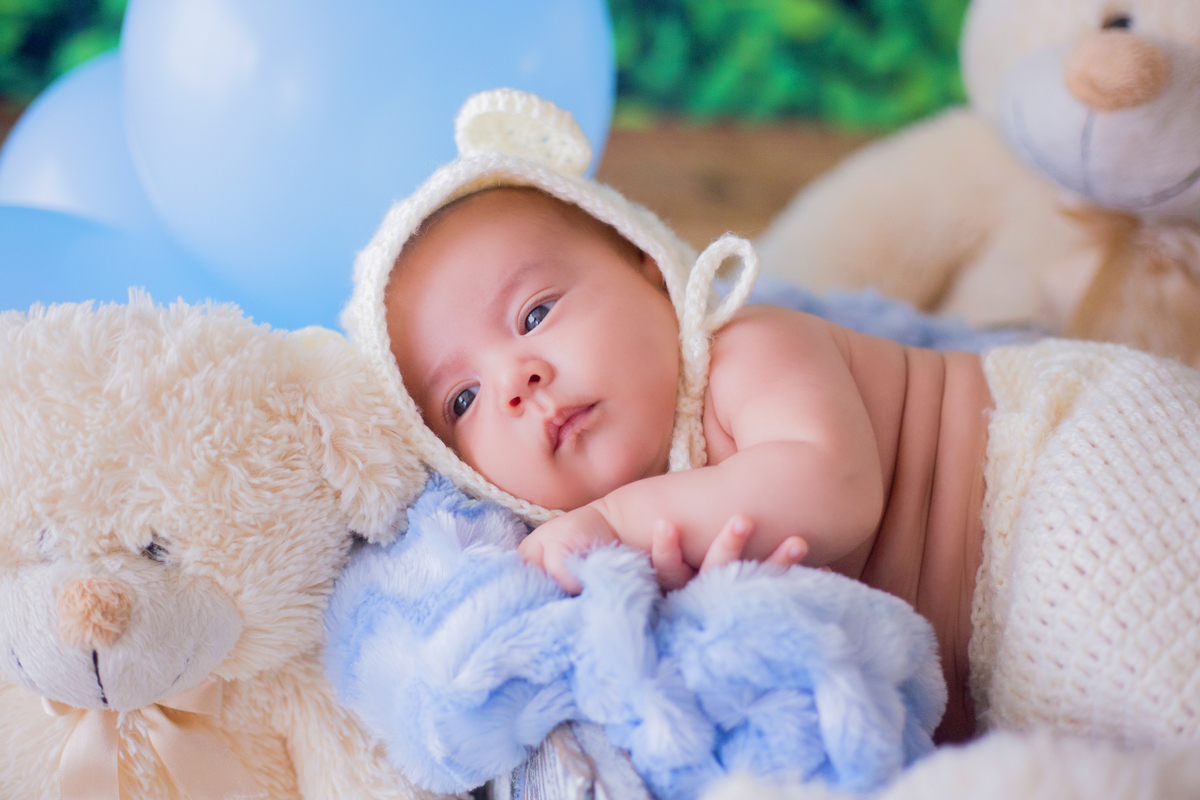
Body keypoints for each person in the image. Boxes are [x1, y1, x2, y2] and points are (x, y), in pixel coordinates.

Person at [342, 90, 1200, 748]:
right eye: (462, 401)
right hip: (992, 643)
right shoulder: (598, 540)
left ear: (650, 270)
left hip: (1056, 470)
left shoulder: (741, 352)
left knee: (1151, 670)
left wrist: (622, 522)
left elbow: (832, 490)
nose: (517, 381)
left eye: (534, 315)